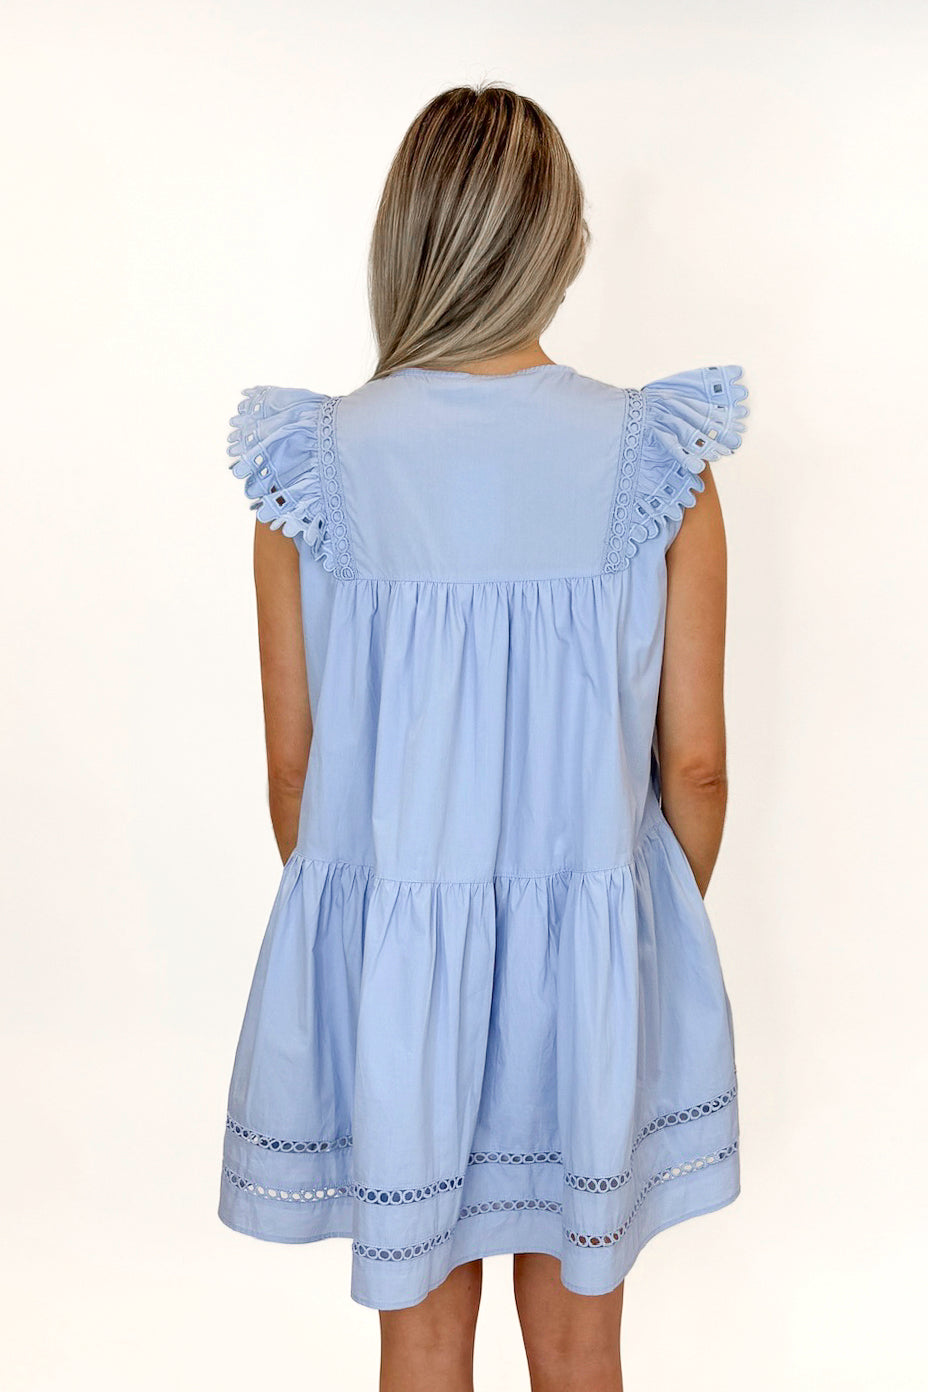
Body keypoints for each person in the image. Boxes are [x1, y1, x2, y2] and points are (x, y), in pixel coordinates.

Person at [218, 81, 749, 1392]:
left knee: (421, 1336)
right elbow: (695, 765)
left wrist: (398, 927)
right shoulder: (656, 458)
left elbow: (298, 774)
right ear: (560, 243)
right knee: (580, 1342)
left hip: (402, 967)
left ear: (406, 237)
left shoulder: (313, 465)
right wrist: (626, 926)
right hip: (590, 960)